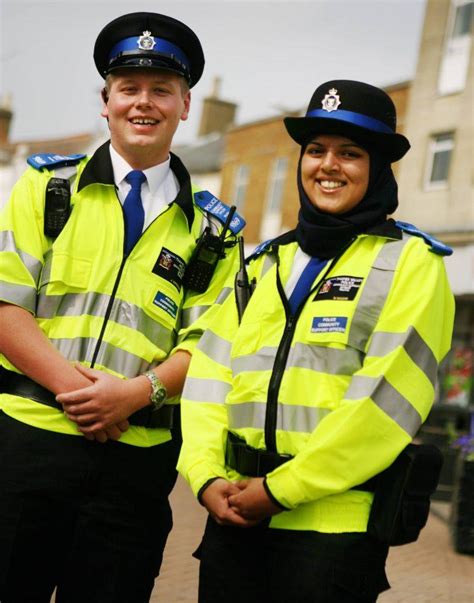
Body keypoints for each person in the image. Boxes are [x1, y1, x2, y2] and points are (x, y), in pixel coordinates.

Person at [177, 80, 455, 603]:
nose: (328, 165)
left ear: (377, 169)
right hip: (233, 516)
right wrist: (205, 475)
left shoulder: (412, 264)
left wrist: (280, 491)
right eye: (316, 150)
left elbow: (386, 404)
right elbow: (209, 379)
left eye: (350, 153)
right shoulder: (261, 264)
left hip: (332, 533)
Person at [0, 11, 243, 603]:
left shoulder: (216, 230)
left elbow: (211, 347)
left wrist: (132, 396)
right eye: (129, 89)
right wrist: (84, 398)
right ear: (105, 101)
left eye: (162, 90)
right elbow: (6, 306)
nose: (144, 103)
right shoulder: (45, 187)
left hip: (136, 464)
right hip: (27, 444)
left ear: (185, 105)